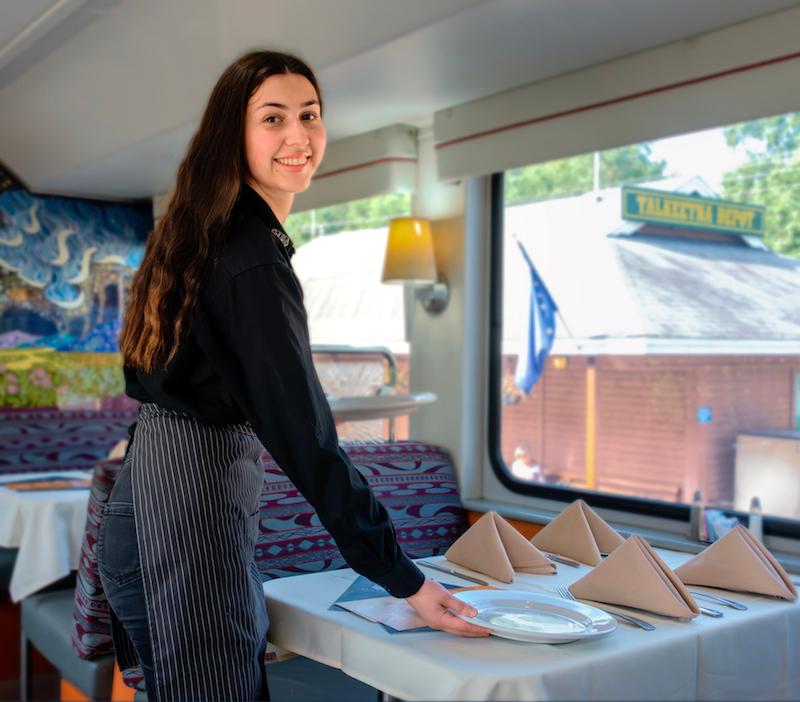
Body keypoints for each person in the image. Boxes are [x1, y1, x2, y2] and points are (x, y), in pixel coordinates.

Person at [98, 50, 489, 702]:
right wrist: (407, 581)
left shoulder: (201, 234)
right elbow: (308, 442)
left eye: (309, 115)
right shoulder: (250, 259)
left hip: (150, 486)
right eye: (272, 118)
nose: (298, 137)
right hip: (193, 493)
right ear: (235, 133)